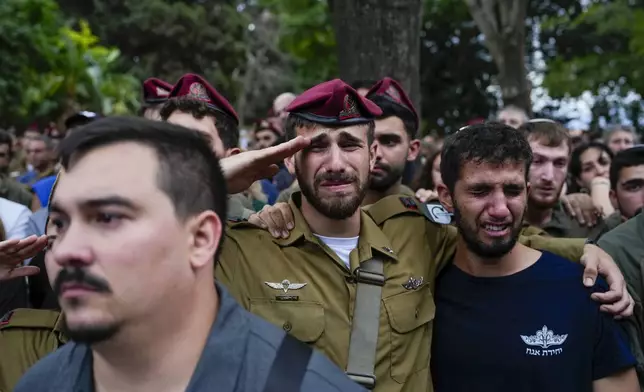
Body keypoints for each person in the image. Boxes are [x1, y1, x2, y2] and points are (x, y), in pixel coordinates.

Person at [219, 80, 634, 391]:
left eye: (349, 144)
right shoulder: (244, 247)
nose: (335, 162)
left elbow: (492, 233)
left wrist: (592, 250)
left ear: (372, 155)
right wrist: (217, 179)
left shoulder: (415, 232)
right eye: (316, 147)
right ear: (290, 159)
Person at [13, 116, 363, 392]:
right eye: (58, 223)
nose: (69, 250)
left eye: (107, 218)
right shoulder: (40, 383)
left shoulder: (301, 385)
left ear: (199, 239)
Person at [430, 122, 639, 391]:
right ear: (446, 197)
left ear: (527, 192)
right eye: (480, 191)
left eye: (512, 191)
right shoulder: (426, 288)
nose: (500, 209)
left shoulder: (583, 289)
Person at [160, 73, 255, 220]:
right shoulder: (130, 221)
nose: (180, 150)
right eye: (170, 138)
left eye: (199, 141)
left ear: (232, 157)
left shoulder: (255, 233)